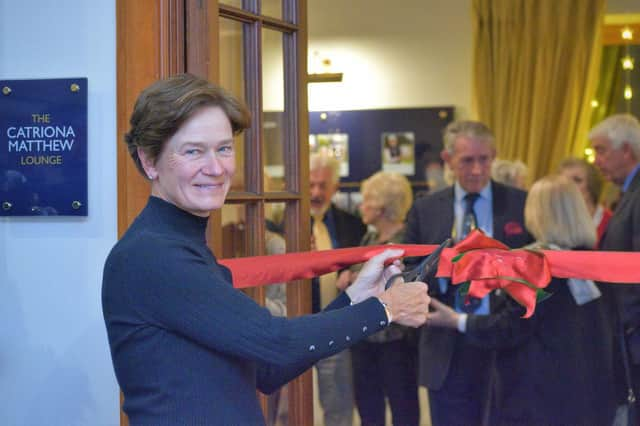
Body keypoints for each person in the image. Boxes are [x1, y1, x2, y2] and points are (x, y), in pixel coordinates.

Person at [101, 74, 431, 425]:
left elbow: (268, 369)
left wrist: (357, 298)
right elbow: (276, 343)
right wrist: (385, 309)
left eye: (224, 148)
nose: (215, 168)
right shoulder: (152, 255)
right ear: (149, 161)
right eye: (193, 151)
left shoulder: (179, 246)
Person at [425, 174, 619, 425]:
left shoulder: (534, 267)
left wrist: (458, 320)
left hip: (540, 399)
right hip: (591, 396)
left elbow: (511, 327)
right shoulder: (598, 264)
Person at [404, 120, 532, 426]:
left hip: (504, 341)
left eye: (484, 159)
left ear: (494, 156)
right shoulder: (426, 209)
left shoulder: (520, 205)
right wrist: (446, 266)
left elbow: (535, 271)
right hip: (446, 344)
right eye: (467, 161)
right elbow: (409, 272)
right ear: (448, 160)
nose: (476, 170)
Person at [340, 171, 420, 426]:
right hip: (365, 336)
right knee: (367, 406)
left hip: (396, 340)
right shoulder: (370, 237)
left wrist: (353, 278)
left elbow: (399, 284)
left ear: (383, 207)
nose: (361, 206)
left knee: (403, 405)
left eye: (367, 200)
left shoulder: (406, 240)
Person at [309, 152, 367, 426]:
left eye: (323, 185)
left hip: (337, 325)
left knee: (339, 405)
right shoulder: (283, 224)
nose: (316, 193)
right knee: (286, 408)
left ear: (335, 188)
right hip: (293, 323)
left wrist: (352, 274)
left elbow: (364, 269)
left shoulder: (352, 225)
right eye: (311, 185)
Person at [590, 113, 640, 424]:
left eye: (601, 150)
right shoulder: (627, 194)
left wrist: (625, 322)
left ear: (627, 150)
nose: (596, 160)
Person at [558, 157, 612, 245]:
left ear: (592, 185)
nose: (568, 185)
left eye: (577, 180)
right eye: (563, 181)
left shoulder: (610, 222)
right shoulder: (555, 218)